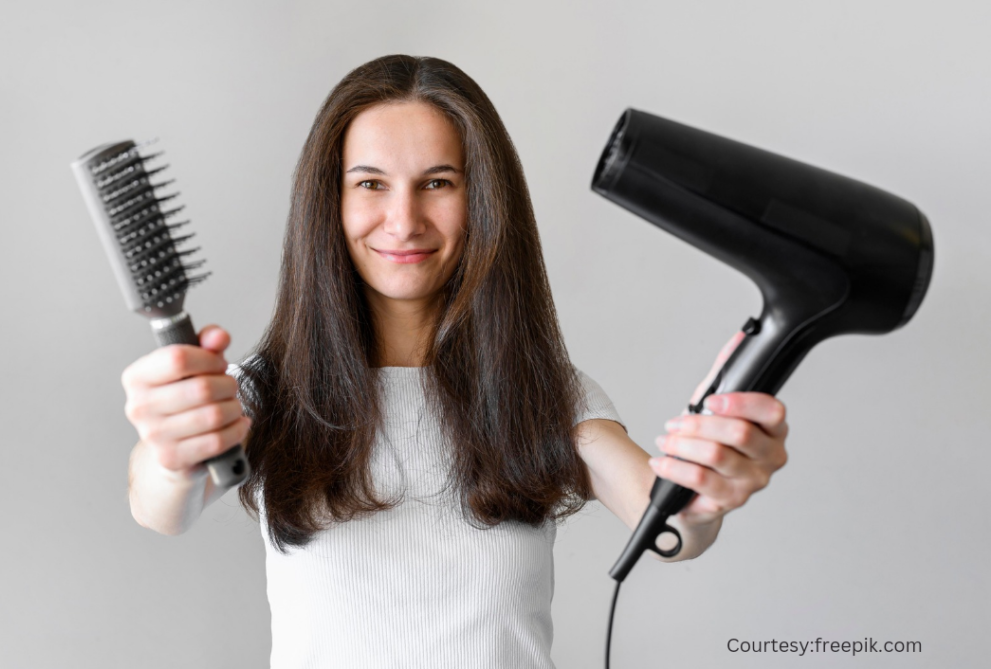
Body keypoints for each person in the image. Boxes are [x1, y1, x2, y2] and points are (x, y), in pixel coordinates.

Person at [121, 55, 789, 668]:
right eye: (371, 184)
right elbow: (160, 505)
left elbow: (671, 519)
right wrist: (171, 447)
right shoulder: (263, 396)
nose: (404, 219)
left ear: (483, 201)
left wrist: (704, 484)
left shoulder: (548, 396)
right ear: (330, 202)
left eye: (437, 182)